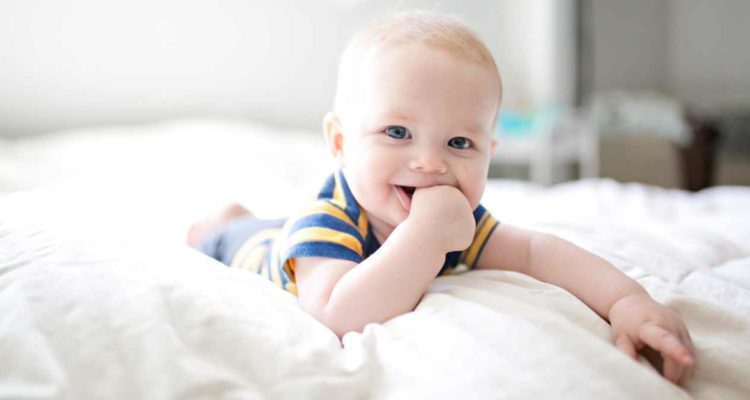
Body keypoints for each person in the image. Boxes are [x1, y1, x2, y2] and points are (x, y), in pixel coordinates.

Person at [188, 11, 694, 385]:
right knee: (237, 234)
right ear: (340, 143)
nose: (430, 163)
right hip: (260, 250)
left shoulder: (459, 217)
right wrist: (424, 239)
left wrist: (628, 301)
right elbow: (334, 316)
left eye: (459, 143)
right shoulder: (327, 219)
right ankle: (225, 221)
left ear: (489, 152)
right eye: (397, 131)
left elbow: (538, 252)